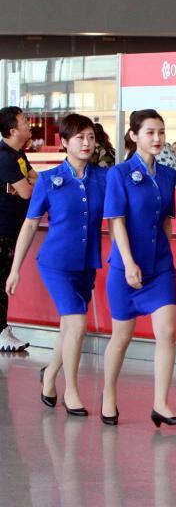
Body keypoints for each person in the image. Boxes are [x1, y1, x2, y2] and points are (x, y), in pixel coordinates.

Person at [5, 114, 107, 415]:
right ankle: (71, 391)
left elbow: (117, 219)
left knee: (69, 329)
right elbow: (29, 224)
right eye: (79, 137)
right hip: (56, 264)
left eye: (90, 137)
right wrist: (15, 269)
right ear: (64, 142)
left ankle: (48, 376)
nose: (86, 143)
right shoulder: (49, 180)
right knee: (77, 324)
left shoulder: (105, 177)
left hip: (87, 263)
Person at [102, 109, 176, 427]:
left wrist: (165, 257)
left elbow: (166, 219)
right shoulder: (119, 173)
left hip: (160, 267)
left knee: (167, 332)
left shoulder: (167, 175)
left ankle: (161, 404)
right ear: (134, 135)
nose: (158, 139)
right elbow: (116, 221)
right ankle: (109, 394)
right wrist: (128, 263)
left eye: (161, 132)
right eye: (150, 132)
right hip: (126, 267)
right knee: (121, 336)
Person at [0, 106, 35, 352]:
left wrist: (24, 184)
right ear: (13, 130)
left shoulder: (18, 154)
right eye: (24, 121)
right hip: (2, 229)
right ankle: (1, 332)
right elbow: (28, 192)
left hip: (13, 229)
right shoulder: (4, 157)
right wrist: (22, 186)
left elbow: (37, 179)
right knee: (1, 281)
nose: (29, 124)